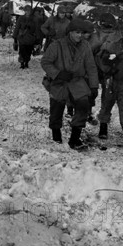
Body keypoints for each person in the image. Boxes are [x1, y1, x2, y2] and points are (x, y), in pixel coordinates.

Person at [41, 18, 99, 149]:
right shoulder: (57, 45)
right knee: (56, 110)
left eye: (82, 33)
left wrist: (94, 86)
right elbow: (45, 62)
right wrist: (57, 73)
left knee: (83, 106)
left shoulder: (85, 46)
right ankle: (56, 138)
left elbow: (91, 67)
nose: (80, 35)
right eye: (77, 32)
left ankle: (75, 139)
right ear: (70, 32)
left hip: (77, 82)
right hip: (59, 82)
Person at [13, 5, 39, 69]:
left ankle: (26, 62)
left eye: (29, 11)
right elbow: (17, 27)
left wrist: (37, 39)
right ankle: (22, 63)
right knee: (22, 51)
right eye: (26, 11)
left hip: (31, 38)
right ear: (24, 11)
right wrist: (15, 36)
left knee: (28, 51)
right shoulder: (21, 18)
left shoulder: (34, 19)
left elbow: (37, 29)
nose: (28, 12)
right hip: (22, 38)